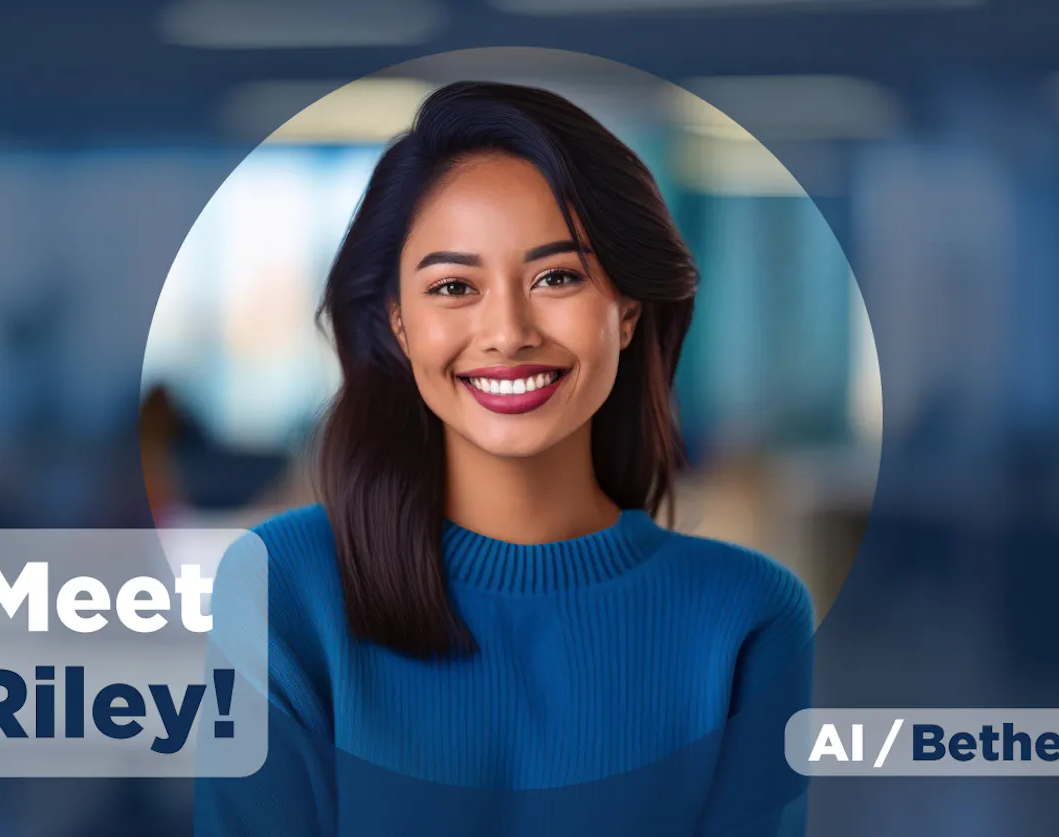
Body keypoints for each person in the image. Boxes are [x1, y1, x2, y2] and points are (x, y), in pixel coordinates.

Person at [195, 80, 814, 836]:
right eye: (454, 286)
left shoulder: (748, 619)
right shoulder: (284, 591)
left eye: (558, 277)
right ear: (398, 324)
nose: (508, 331)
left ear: (624, 311)